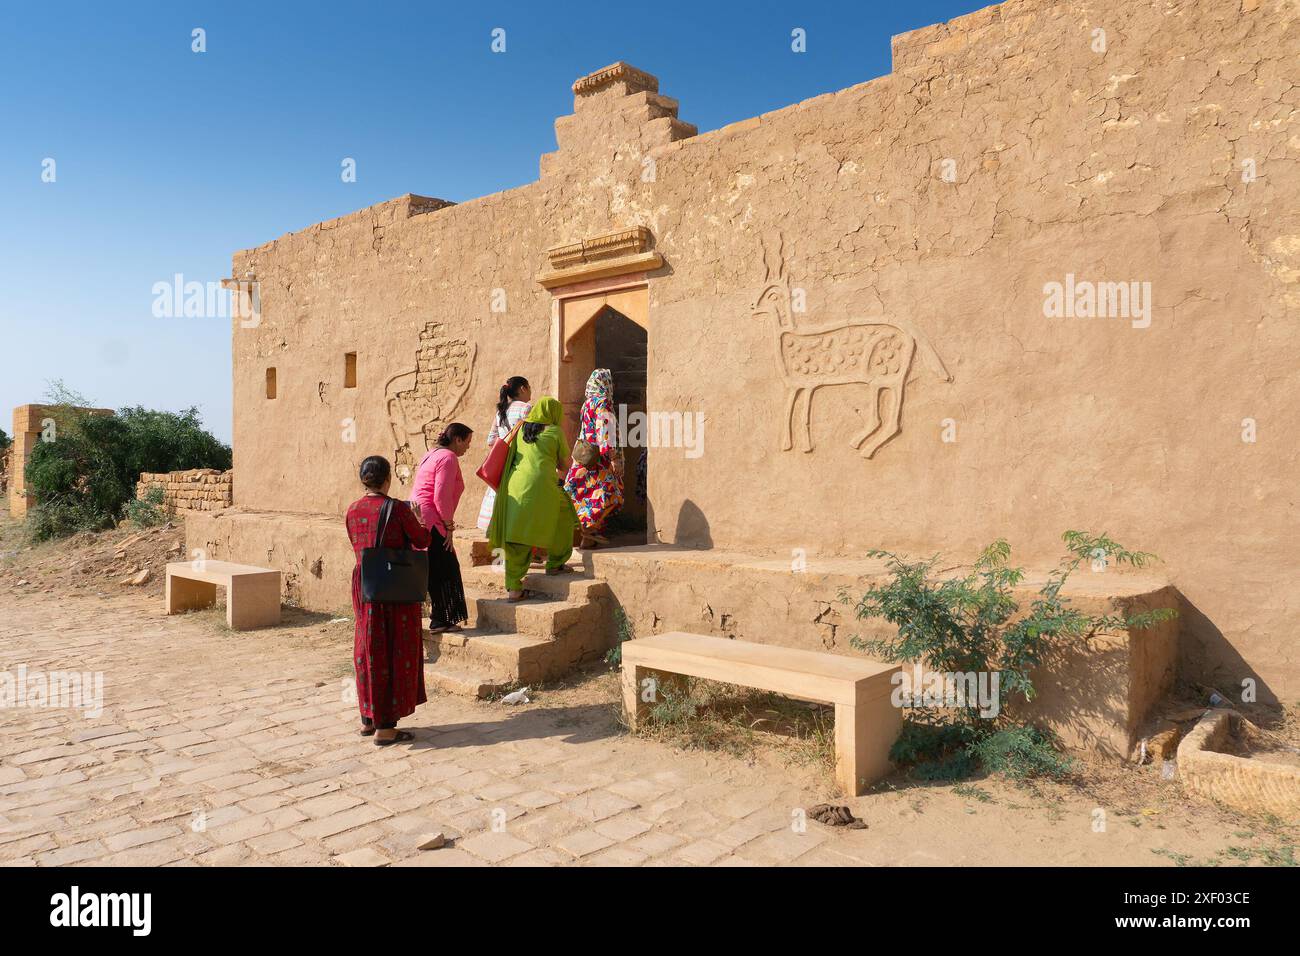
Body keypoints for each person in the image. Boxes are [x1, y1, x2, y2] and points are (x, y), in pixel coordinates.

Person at [345, 455, 430, 746]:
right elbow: (421, 541)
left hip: (365, 584)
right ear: (387, 478)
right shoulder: (397, 509)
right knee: (393, 651)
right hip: (393, 589)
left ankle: (368, 718)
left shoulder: (353, 510)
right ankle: (386, 727)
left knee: (367, 648)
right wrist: (419, 518)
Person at [487, 397, 579, 600]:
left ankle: (514, 588)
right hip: (543, 486)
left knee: (518, 534)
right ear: (552, 414)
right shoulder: (555, 432)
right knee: (563, 518)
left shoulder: (520, 429)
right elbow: (564, 466)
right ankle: (555, 563)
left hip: (515, 487)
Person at [410, 423, 473, 634]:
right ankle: (441, 619)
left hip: (421, 516)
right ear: (457, 439)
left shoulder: (431, 454)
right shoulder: (448, 457)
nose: (467, 448)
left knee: (435, 566)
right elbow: (441, 495)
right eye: (467, 442)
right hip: (433, 518)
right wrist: (448, 526)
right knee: (446, 567)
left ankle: (439, 618)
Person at [564, 368, 624, 549]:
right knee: (611, 496)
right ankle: (590, 530)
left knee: (586, 494)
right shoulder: (603, 402)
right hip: (599, 459)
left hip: (584, 457)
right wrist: (612, 456)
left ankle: (588, 538)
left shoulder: (587, 403)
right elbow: (603, 430)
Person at [476, 376, 533, 530]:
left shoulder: (501, 410)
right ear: (523, 388)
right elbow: (530, 437)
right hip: (520, 462)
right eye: (529, 387)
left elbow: (491, 440)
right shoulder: (526, 408)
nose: (531, 391)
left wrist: (503, 448)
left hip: (504, 463)